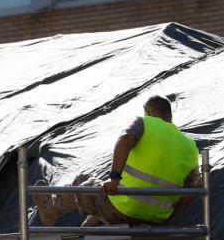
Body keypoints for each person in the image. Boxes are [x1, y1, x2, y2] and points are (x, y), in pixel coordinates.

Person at [33, 95, 201, 226]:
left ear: (148, 113)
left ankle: (52, 209)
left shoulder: (144, 123)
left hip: (123, 208)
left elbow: (125, 137)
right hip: (157, 218)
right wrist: (168, 218)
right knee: (101, 189)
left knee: (83, 182)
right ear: (170, 115)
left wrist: (114, 178)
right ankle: (92, 221)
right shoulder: (190, 147)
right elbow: (189, 195)